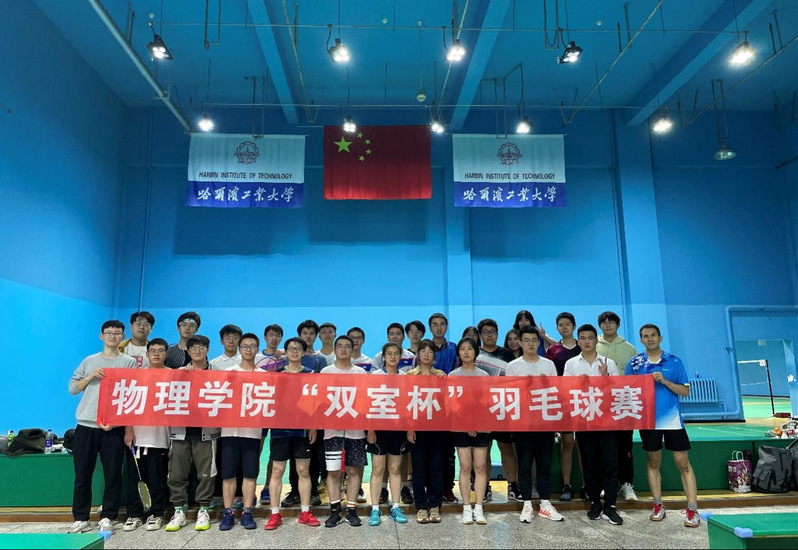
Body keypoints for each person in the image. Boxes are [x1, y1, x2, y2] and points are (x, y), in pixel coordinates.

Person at [68, 320, 138, 534]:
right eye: (109, 332)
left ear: (123, 336)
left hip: (113, 428)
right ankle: (81, 517)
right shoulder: (89, 361)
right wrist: (91, 376)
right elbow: (73, 388)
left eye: (117, 333)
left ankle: (108, 515)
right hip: (86, 425)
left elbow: (132, 395)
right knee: (82, 474)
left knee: (113, 474)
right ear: (101, 336)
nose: (113, 336)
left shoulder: (129, 363)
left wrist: (122, 425)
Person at [627, 324, 700, 528]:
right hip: (648, 420)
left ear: (660, 338)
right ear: (641, 340)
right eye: (645, 336)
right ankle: (658, 505)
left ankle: (692, 508)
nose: (649, 339)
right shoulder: (634, 364)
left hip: (672, 419)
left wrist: (665, 381)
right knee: (653, 461)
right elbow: (627, 391)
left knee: (682, 462)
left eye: (653, 335)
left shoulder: (674, 361)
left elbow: (685, 391)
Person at [563, 324, 623, 526]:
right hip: (584, 421)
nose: (587, 341)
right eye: (583, 338)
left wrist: (605, 378)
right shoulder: (571, 364)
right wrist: (576, 384)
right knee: (589, 464)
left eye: (590, 338)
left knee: (610, 464)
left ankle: (611, 506)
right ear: (578, 341)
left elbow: (618, 392)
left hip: (607, 422)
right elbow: (565, 391)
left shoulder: (608, 363)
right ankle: (595, 503)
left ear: (596, 341)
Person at [508, 328, 564, 523]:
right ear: (520, 343)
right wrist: (524, 386)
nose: (530, 343)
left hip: (544, 422)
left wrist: (544, 384)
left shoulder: (548, 365)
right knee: (524, 464)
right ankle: (526, 504)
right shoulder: (513, 366)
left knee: (544, 463)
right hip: (523, 423)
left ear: (539, 343)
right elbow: (509, 394)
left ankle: (545, 503)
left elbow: (556, 392)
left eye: (534, 340)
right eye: (526, 340)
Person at [264, 337, 321, 530]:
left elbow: (315, 403)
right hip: (280, 430)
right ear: (286, 352)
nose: (295, 351)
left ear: (304, 352)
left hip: (302, 431)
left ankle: (305, 512)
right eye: (291, 348)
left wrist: (313, 426)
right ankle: (274, 514)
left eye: (298, 349)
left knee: (303, 471)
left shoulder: (311, 374)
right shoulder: (277, 375)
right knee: (277, 470)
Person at [165, 335, 220, 532]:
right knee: (177, 473)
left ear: (208, 350)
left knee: (206, 473)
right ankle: (179, 510)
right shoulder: (178, 374)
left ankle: (203, 509)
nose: (197, 350)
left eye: (201, 347)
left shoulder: (217, 373)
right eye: (193, 348)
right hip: (181, 432)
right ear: (188, 351)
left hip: (206, 433)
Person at [217, 333, 265, 531]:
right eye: (244, 346)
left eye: (252, 346)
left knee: (250, 474)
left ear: (257, 349)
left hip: (252, 432)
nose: (248, 349)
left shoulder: (264, 375)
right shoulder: (229, 372)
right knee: (228, 474)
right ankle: (228, 512)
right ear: (239, 349)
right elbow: (218, 399)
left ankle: (247, 511)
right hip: (229, 431)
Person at [320, 336, 369, 528]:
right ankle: (334, 511)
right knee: (333, 471)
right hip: (332, 431)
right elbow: (319, 401)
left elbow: (365, 400)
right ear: (334, 349)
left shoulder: (361, 373)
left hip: (355, 431)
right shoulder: (325, 372)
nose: (343, 349)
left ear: (352, 349)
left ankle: (351, 509)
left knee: (353, 470)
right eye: (339, 346)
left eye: (347, 346)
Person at [123, 338, 171, 532]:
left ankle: (157, 514)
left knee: (157, 478)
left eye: (161, 350)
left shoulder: (174, 376)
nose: (157, 354)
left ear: (167, 353)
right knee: (134, 478)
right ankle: (134, 514)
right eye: (153, 350)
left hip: (161, 437)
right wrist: (128, 430)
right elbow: (127, 404)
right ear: (147, 354)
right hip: (137, 437)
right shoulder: (137, 376)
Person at [366, 342, 410, 526]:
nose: (393, 357)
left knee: (395, 469)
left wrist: (409, 428)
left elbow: (408, 404)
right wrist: (370, 429)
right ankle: (375, 508)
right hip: (378, 430)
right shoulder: (375, 376)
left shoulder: (405, 377)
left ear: (400, 356)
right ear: (383, 356)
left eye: (396, 354)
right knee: (378, 469)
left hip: (398, 429)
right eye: (389, 353)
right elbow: (368, 402)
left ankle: (395, 506)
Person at [596, 311, 639, 502]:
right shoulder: (594, 347)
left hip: (623, 404)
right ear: (600, 325)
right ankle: (606, 485)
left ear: (618, 325)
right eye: (604, 322)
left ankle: (627, 484)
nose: (608, 325)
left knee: (625, 447)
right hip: (600, 406)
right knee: (604, 448)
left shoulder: (629, 349)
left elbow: (637, 378)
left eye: (611, 322)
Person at [448, 338, 490, 526]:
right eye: (462, 349)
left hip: (481, 426)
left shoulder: (483, 375)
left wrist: (475, 422)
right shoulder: (453, 375)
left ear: (475, 352)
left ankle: (479, 507)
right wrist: (467, 423)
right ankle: (466, 507)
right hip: (460, 426)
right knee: (465, 466)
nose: (466, 352)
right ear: (458, 353)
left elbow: (486, 403)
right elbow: (452, 405)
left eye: (469, 349)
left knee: (480, 466)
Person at [406, 340, 447, 524]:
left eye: (430, 351)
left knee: (436, 468)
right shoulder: (409, 376)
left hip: (437, 428)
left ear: (434, 356)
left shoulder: (441, 375)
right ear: (418, 354)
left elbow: (447, 403)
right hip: (417, 428)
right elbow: (406, 404)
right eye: (423, 351)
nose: (426, 354)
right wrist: (409, 427)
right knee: (419, 469)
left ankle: (435, 505)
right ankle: (421, 507)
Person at [545, 312, 582, 501]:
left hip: (584, 401)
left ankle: (587, 485)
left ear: (574, 326)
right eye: (560, 324)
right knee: (567, 442)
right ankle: (566, 485)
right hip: (563, 402)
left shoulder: (583, 346)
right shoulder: (553, 350)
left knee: (583, 444)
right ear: (557, 328)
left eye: (568, 324)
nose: (564, 327)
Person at [427, 313, 457, 503]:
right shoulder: (425, 349)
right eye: (435, 324)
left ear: (446, 326)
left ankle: (447, 488)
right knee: (429, 450)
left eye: (442, 324)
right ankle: (430, 487)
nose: (439, 327)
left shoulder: (454, 348)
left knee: (448, 451)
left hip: (449, 406)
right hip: (428, 405)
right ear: (430, 328)